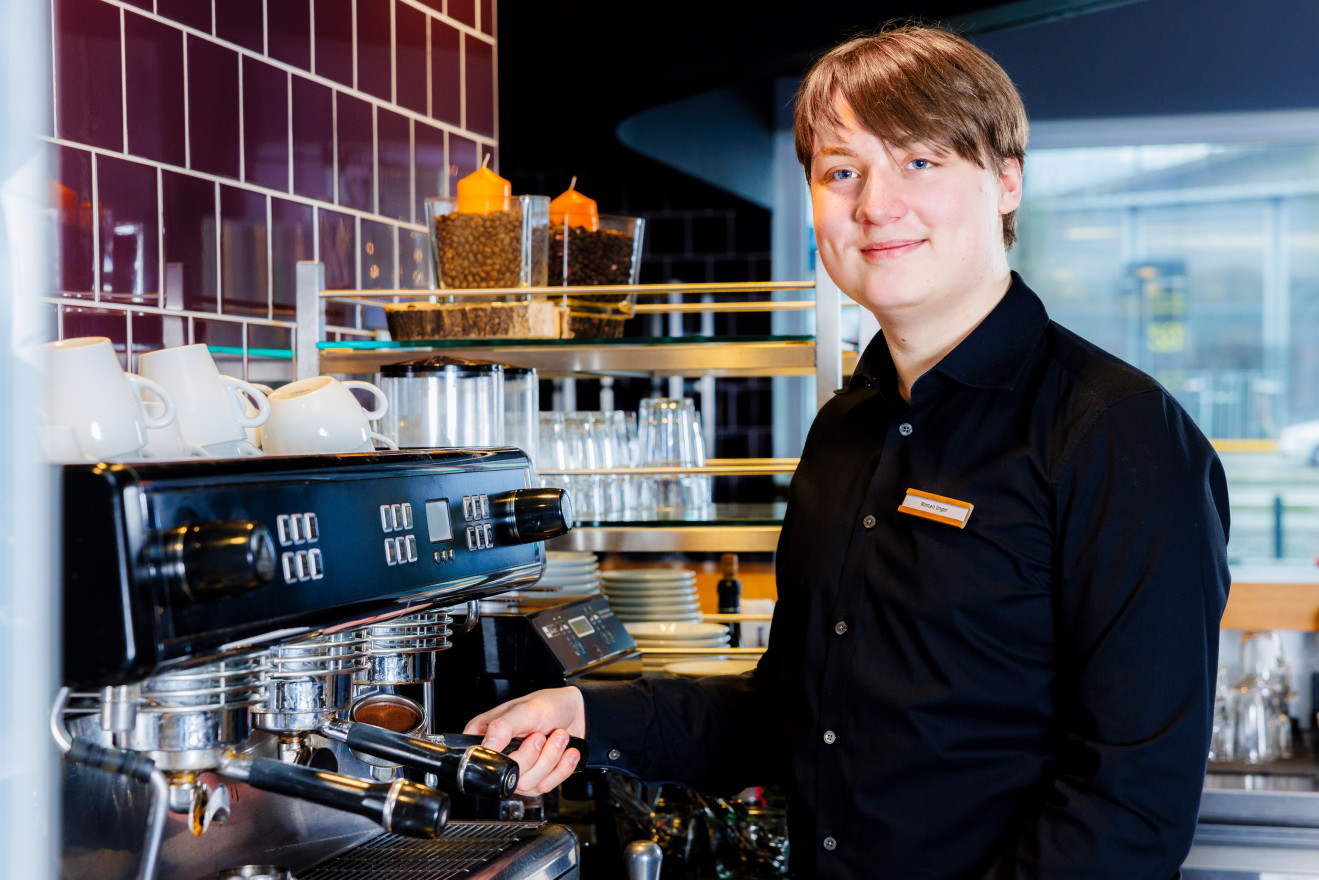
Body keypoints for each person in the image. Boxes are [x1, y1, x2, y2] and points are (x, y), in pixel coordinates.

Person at [465, 23, 1230, 879]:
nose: (874, 204)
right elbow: (789, 711)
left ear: (1006, 180)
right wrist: (588, 713)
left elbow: (1130, 801)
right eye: (840, 172)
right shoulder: (847, 427)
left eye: (920, 162)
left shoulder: (1116, 432)